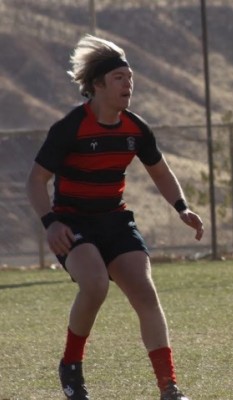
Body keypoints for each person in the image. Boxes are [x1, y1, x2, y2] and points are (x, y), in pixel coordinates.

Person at [25, 35, 204, 400]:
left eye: (130, 77)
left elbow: (160, 171)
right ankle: (71, 366)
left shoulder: (135, 129)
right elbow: (36, 181)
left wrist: (182, 207)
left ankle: (169, 387)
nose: (128, 84)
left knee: (144, 291)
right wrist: (50, 222)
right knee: (95, 285)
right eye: (120, 77)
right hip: (72, 222)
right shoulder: (71, 127)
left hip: (115, 220)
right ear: (97, 85)